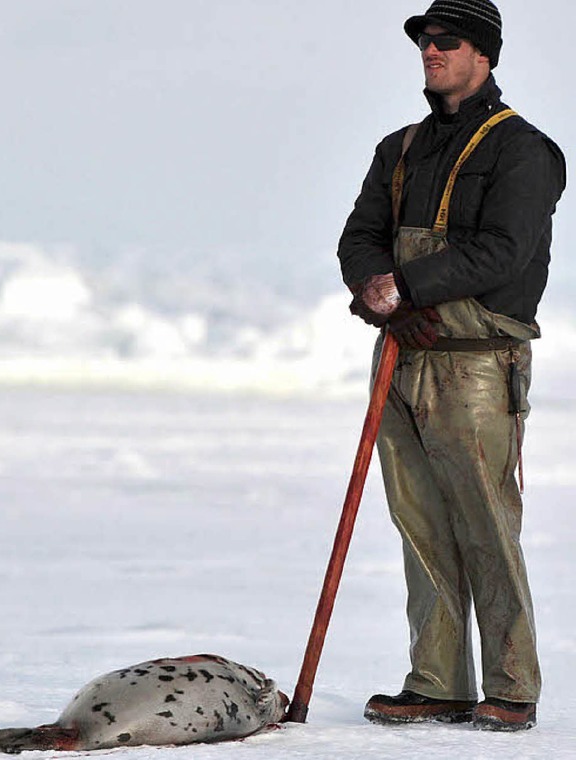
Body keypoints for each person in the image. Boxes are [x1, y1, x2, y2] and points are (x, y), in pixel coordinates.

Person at [337, 0, 566, 732]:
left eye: (447, 41)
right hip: (401, 356)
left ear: (484, 54)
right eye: (424, 42)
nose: (431, 52)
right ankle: (437, 680)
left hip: (475, 365)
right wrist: (383, 297)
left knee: (486, 526)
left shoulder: (525, 150)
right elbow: (359, 237)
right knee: (419, 523)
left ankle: (511, 685)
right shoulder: (398, 148)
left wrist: (407, 287)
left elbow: (505, 251)